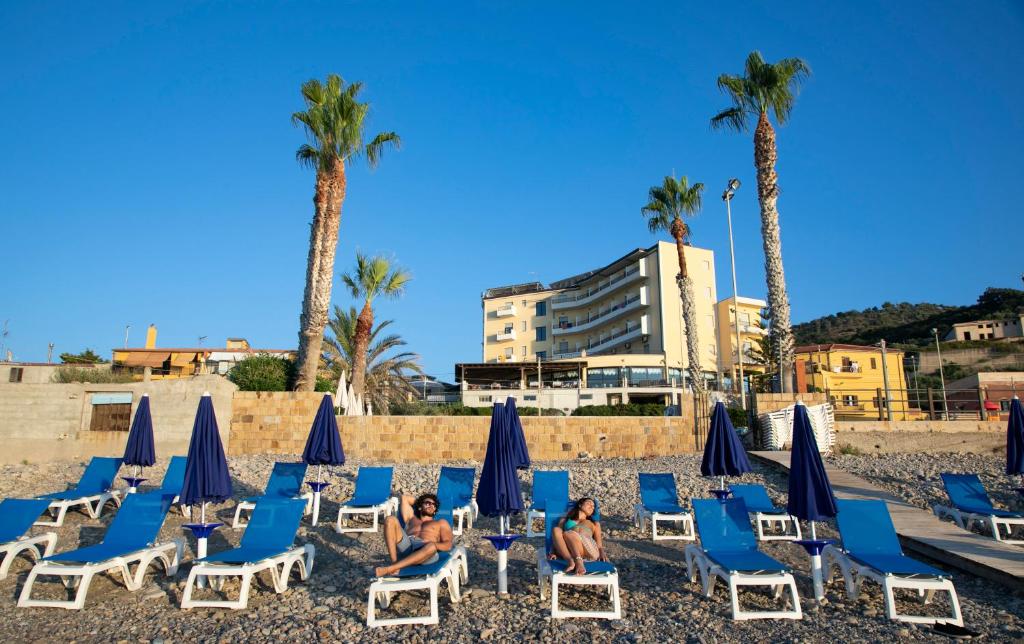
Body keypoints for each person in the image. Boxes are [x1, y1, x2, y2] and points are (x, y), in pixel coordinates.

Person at [375, 493, 454, 577]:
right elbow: (404, 498)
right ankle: (394, 563)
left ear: (435, 510)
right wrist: (420, 503)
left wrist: (434, 545)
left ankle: (390, 568)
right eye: (428, 503)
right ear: (419, 507)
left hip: (427, 553)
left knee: (431, 546)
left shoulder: (441, 522)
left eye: (434, 505)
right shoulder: (411, 518)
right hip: (408, 546)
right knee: (390, 519)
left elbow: (448, 545)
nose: (431, 505)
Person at [550, 497, 607, 575]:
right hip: (567, 550)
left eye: (593, 506)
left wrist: (602, 553)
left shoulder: (595, 523)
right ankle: (570, 561)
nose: (592, 507)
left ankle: (578, 562)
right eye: (588, 503)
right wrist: (552, 551)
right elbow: (556, 537)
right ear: (580, 505)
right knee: (556, 529)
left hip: (586, 550)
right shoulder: (565, 519)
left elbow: (599, 544)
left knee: (569, 533)